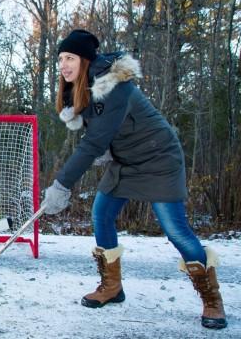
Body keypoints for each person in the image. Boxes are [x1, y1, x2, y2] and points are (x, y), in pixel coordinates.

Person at [43, 29, 227, 329]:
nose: (64, 65)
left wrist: (61, 185)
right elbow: (98, 133)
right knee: (101, 214)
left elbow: (92, 143)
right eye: (61, 58)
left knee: (175, 230)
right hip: (124, 160)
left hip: (159, 158)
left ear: (86, 60)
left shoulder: (115, 86)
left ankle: (212, 299)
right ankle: (112, 287)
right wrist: (104, 151)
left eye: (70, 58)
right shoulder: (83, 87)